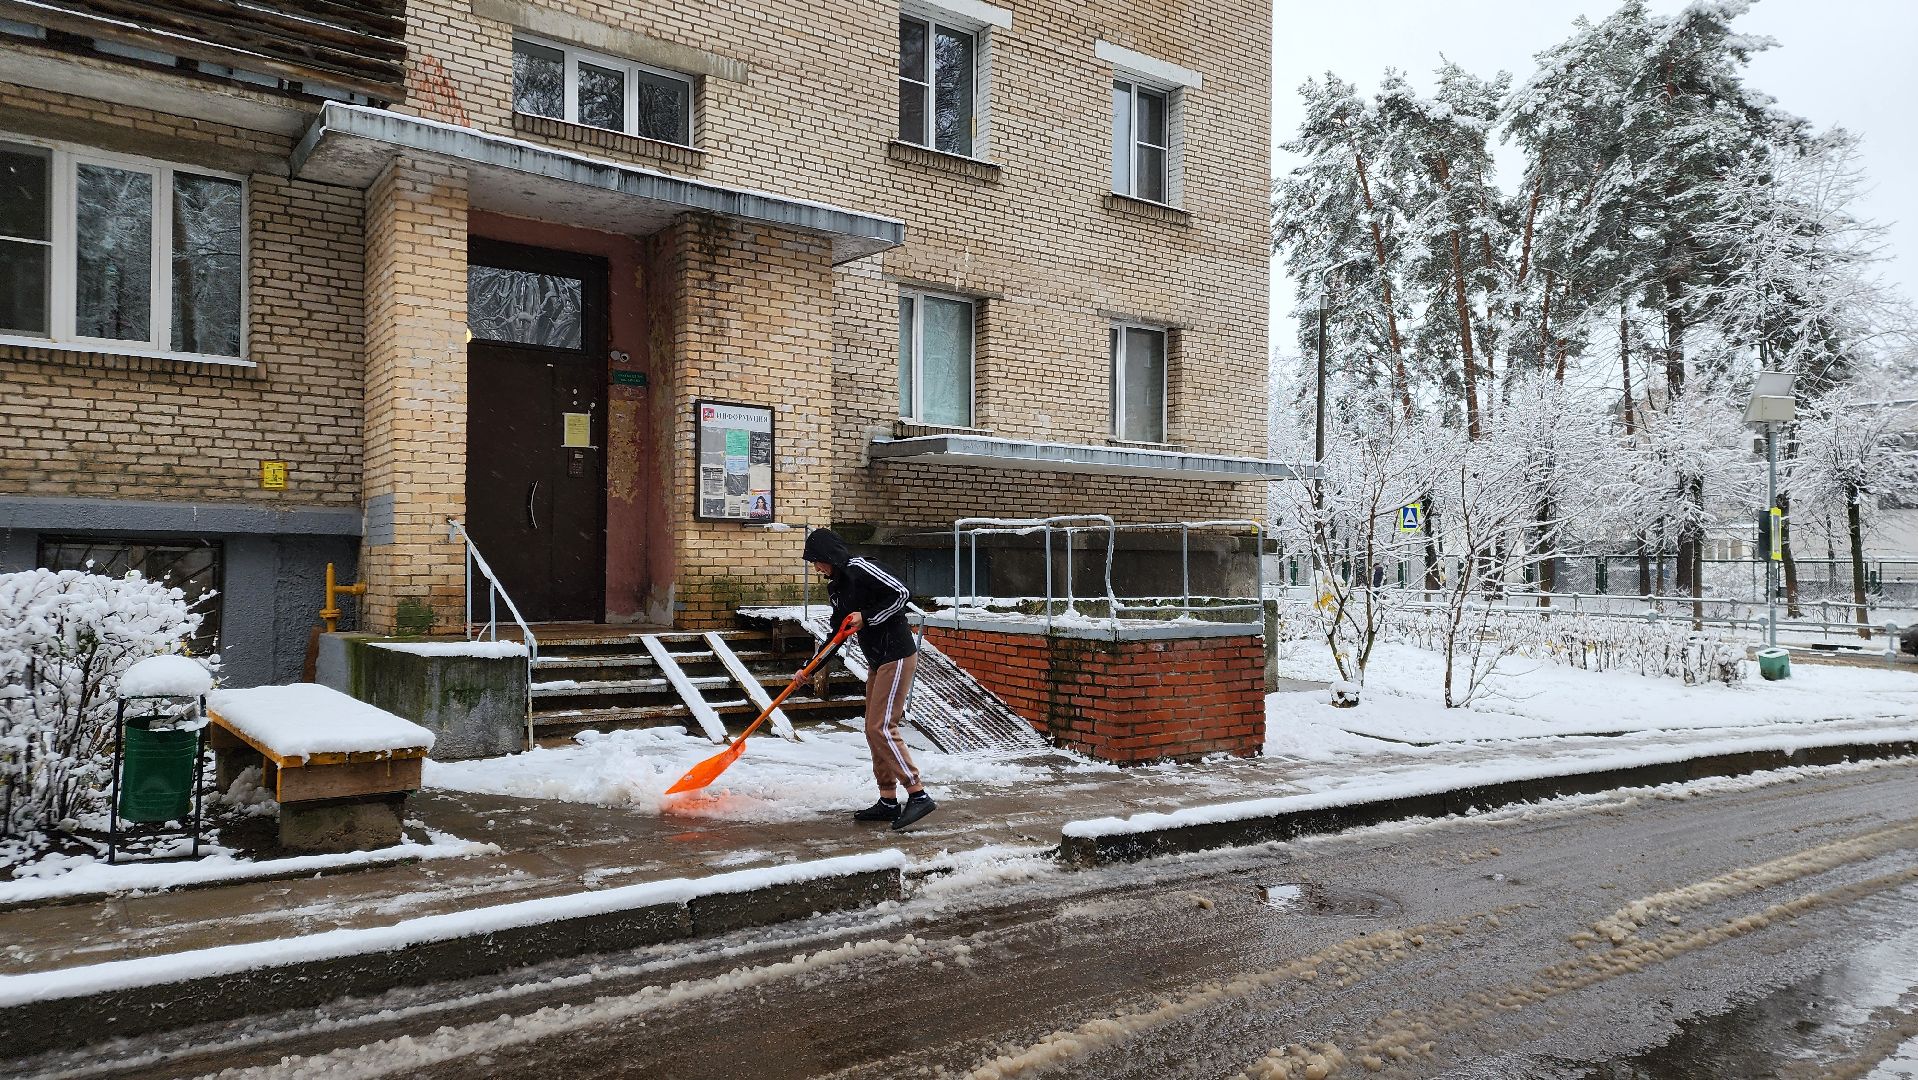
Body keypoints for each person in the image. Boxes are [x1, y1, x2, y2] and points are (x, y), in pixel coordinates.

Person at [801, 528, 936, 831]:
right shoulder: (837, 589)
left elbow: (902, 594)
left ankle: (918, 794)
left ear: (829, 556)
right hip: (877, 660)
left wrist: (867, 616)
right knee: (872, 729)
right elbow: (836, 635)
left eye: (817, 561)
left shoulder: (861, 568)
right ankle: (888, 799)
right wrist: (809, 668)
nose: (816, 568)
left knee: (882, 727)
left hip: (897, 654)